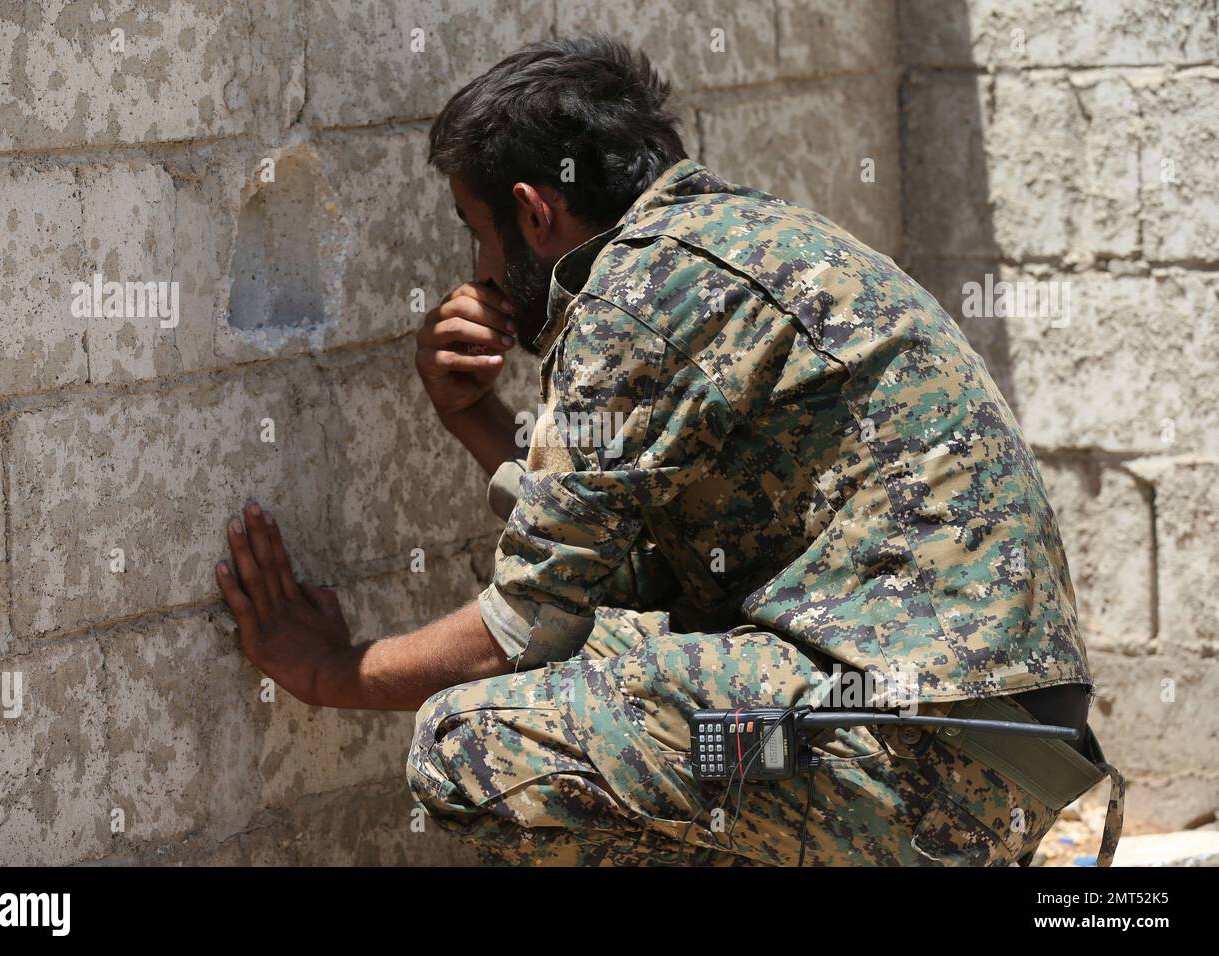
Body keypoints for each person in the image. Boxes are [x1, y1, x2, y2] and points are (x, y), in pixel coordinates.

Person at [215, 35, 1123, 866]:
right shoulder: (737, 242)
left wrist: (331, 670)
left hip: (906, 756)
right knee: (629, 684)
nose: (481, 268)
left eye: (475, 228)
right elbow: (623, 562)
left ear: (534, 212)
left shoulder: (634, 297)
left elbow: (526, 627)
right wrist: (474, 418)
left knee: (470, 742)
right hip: (983, 750)